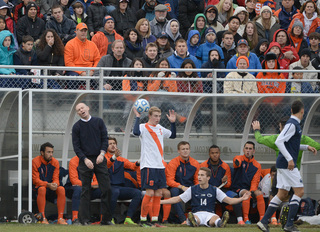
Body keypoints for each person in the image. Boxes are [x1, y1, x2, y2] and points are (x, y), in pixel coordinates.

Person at [257, 100, 317, 232]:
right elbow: (279, 141)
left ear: (291, 110)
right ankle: (289, 224)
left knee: (282, 194)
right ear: (302, 111)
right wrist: (290, 159)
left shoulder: (294, 124)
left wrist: (307, 147)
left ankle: (263, 221)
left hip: (283, 164)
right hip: (287, 164)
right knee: (299, 192)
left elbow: (291, 145)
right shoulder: (292, 124)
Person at [161, 167, 251, 227]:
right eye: (199, 175)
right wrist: (160, 202)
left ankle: (221, 223)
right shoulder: (192, 189)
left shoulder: (214, 190)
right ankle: (193, 222)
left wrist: (242, 199)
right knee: (195, 219)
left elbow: (229, 201)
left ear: (208, 178)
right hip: (197, 213)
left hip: (210, 214)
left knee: (215, 219)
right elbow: (177, 199)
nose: (199, 177)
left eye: (202, 175)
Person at [132, 106, 176, 227]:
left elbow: (172, 135)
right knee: (150, 193)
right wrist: (137, 117)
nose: (157, 118)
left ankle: (155, 221)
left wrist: (172, 123)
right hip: (148, 165)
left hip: (160, 166)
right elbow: (135, 132)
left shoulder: (160, 128)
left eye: (159, 116)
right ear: (150, 116)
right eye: (155, 116)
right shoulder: (143, 127)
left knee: (158, 193)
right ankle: (142, 220)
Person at [72, 102, 113, 225]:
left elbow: (104, 139)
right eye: (78, 110)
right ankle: (84, 220)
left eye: (82, 108)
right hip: (85, 161)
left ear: (88, 108)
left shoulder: (98, 122)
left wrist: (101, 154)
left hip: (100, 158)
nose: (81, 110)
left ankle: (106, 220)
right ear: (77, 113)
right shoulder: (76, 127)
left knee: (107, 189)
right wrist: (85, 159)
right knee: (85, 190)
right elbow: (76, 146)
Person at [252, 117, 320, 170]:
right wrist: (307, 147)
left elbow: (259, 139)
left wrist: (256, 130)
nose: (279, 129)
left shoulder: (277, 139)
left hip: (281, 171)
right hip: (294, 171)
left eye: (280, 127)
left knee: (282, 187)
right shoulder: (302, 138)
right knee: (298, 188)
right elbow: (317, 146)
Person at [200, 145, 245, 225]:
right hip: (207, 190)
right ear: (209, 154)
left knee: (234, 196)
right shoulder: (203, 165)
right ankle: (202, 220)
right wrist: (209, 187)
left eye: (216, 153)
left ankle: (240, 220)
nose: (215, 155)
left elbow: (229, 184)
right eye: (212, 153)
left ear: (219, 153)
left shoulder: (225, 166)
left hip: (221, 190)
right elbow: (199, 181)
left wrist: (224, 182)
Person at [105, 137, 141, 225]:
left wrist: (139, 162)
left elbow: (132, 166)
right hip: (109, 187)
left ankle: (128, 218)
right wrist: (114, 157)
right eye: (110, 144)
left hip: (120, 187)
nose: (113, 145)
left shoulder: (121, 159)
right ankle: (110, 218)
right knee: (115, 192)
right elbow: (107, 165)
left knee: (137, 193)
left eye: (114, 143)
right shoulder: (103, 157)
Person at [32, 142, 67, 224]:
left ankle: (60, 218)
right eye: (48, 152)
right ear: (42, 152)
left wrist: (55, 184)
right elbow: (35, 180)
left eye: (52, 152)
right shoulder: (35, 161)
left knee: (61, 189)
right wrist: (47, 184)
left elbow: (56, 178)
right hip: (38, 188)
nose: (51, 154)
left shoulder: (55, 162)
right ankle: (42, 218)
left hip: (51, 188)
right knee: (42, 189)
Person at [165, 141, 200, 224]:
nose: (185, 151)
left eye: (187, 149)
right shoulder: (173, 162)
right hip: (177, 187)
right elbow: (169, 181)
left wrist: (195, 188)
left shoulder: (195, 163)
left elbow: (198, 180)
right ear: (178, 151)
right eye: (183, 149)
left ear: (189, 150)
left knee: (198, 191)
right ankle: (183, 220)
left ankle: (198, 219)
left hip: (190, 187)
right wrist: (182, 187)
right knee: (174, 191)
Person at [232, 141, 266, 224]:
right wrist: (237, 163)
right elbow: (236, 162)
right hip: (237, 188)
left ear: (253, 151)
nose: (248, 150)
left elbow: (255, 181)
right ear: (243, 150)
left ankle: (262, 219)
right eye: (246, 148)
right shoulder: (239, 158)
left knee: (259, 193)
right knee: (246, 193)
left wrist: (252, 191)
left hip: (250, 188)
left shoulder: (257, 165)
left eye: (250, 149)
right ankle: (246, 219)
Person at [224, 56, 258, 132]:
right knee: (239, 105)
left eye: (244, 64)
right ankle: (239, 129)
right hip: (232, 102)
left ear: (247, 65)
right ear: (237, 65)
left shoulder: (252, 77)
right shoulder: (230, 76)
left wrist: (248, 98)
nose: (242, 65)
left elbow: (255, 92)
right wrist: (242, 96)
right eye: (240, 63)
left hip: (249, 101)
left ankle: (255, 129)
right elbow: (227, 92)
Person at [65, 155, 101, 224]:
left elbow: (97, 181)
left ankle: (103, 219)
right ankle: (75, 218)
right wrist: (89, 185)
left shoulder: (93, 161)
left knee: (105, 190)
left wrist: (90, 186)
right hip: (72, 188)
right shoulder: (74, 160)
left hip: (88, 189)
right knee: (79, 189)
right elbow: (74, 181)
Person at [64, 23, 100, 89]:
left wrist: (92, 71)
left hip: (90, 71)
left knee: (98, 78)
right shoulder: (70, 44)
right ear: (76, 31)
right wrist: (81, 72)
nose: (83, 33)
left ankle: (97, 98)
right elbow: (68, 63)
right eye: (81, 31)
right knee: (73, 78)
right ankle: (72, 98)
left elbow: (98, 59)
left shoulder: (92, 44)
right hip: (74, 71)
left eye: (85, 31)